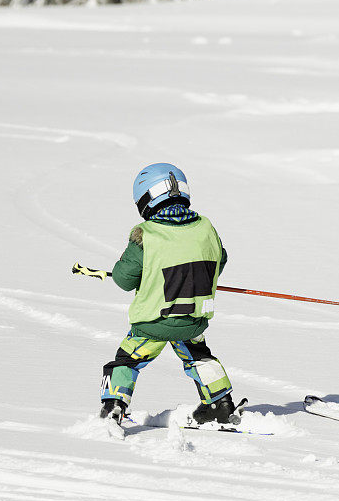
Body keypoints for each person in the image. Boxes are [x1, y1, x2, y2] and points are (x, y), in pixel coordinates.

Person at [99, 163, 240, 428]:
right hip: (193, 320)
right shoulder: (206, 227)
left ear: (146, 198)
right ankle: (220, 404)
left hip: (153, 322)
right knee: (199, 355)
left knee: (127, 360)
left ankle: (114, 405)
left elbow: (123, 279)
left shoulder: (145, 235)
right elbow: (220, 260)